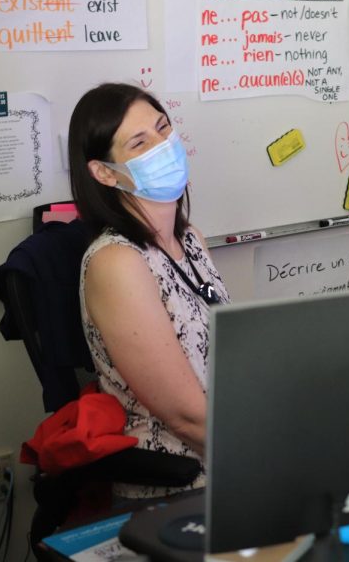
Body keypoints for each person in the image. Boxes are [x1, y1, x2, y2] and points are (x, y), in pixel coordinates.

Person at [68, 83, 230, 498]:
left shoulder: (191, 240)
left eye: (163, 128)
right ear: (105, 172)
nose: (164, 146)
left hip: (229, 451)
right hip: (182, 480)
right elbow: (185, 417)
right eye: (140, 142)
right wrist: (275, 458)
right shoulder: (116, 264)